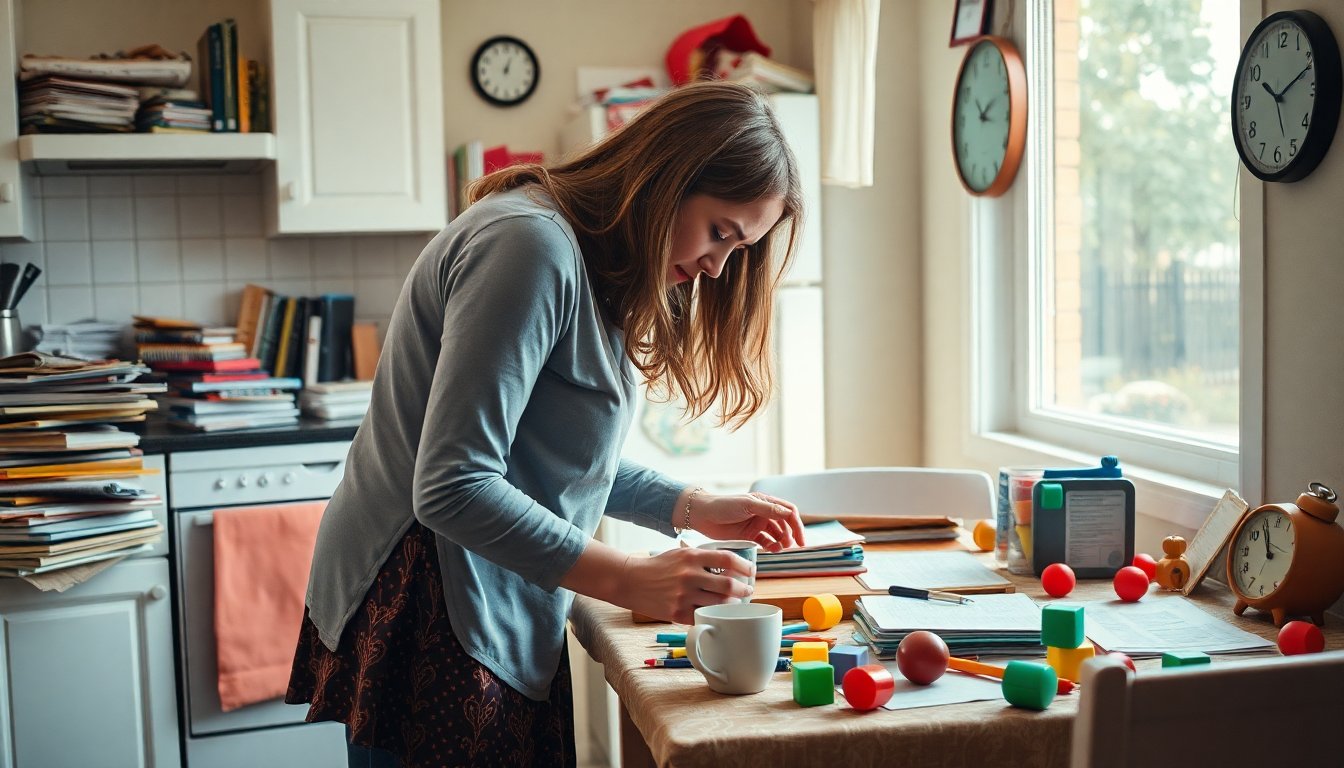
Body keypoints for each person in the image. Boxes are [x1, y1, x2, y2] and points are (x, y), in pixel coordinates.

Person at [287, 80, 808, 768]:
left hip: (485, 591)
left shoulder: (592, 259)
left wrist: (688, 504)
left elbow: (546, 449)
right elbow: (452, 485)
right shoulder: (528, 245)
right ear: (667, 178)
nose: (717, 267)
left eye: (738, 250)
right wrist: (629, 577)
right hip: (428, 602)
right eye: (720, 233)